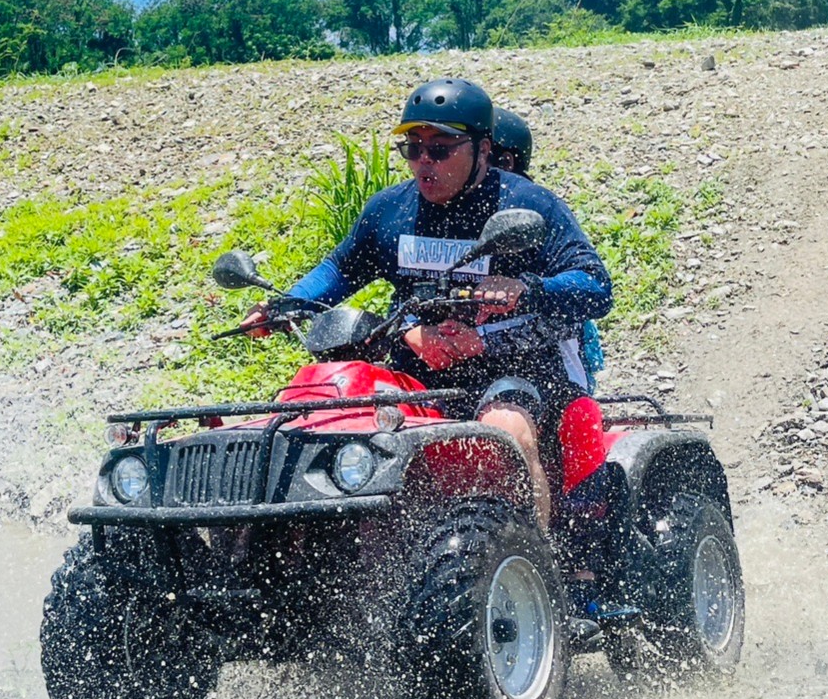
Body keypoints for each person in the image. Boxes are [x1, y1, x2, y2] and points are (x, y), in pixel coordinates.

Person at [254, 78, 613, 528]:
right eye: (413, 148)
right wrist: (287, 304)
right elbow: (340, 270)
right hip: (415, 374)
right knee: (329, 422)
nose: (424, 162)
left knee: (505, 435)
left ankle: (525, 570)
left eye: (441, 149)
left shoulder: (530, 205)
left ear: (483, 150)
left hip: (513, 372)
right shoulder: (390, 209)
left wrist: (530, 288)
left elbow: (597, 287)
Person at [491, 104, 605, 391]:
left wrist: (529, 290)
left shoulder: (536, 205)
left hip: (549, 364)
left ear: (504, 162)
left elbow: (594, 287)